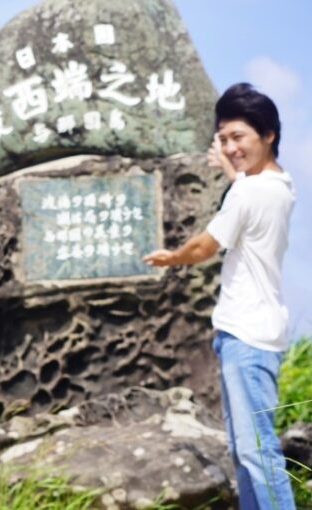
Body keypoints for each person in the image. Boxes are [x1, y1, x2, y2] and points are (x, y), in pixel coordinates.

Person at [143, 83, 295, 509]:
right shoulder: (280, 185)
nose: (230, 148)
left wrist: (172, 257)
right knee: (246, 453)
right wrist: (234, 176)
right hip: (257, 335)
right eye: (223, 139)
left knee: (255, 453)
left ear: (268, 135)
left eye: (238, 137)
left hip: (246, 338)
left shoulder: (249, 192)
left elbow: (205, 247)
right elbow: (247, 197)